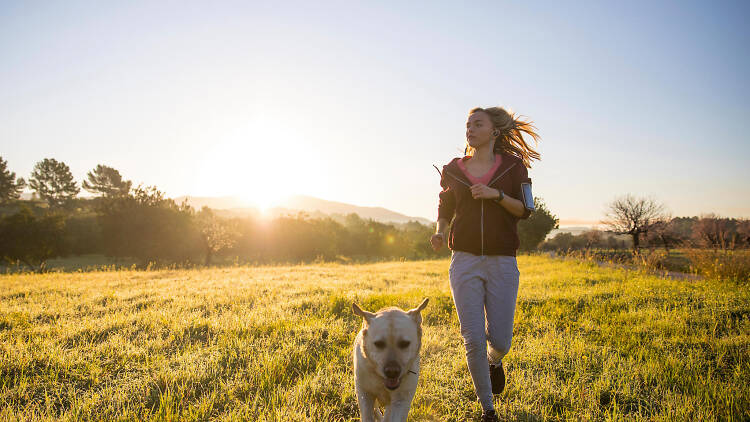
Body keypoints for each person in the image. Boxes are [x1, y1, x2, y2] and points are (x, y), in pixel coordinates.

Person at [430, 106, 540, 421]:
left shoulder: (514, 167)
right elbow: (445, 205)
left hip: (502, 261)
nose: (470, 129)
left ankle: (496, 361)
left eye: (477, 124)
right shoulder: (454, 168)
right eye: (467, 124)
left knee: (501, 340)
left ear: (494, 131)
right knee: (473, 338)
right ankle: (488, 409)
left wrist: (495, 196)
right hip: (463, 260)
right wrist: (440, 232)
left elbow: (526, 209)